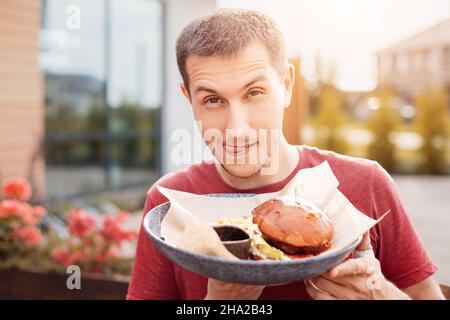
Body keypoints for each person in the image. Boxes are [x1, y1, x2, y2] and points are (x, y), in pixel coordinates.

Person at [127, 9, 443, 300]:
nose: (237, 128)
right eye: (212, 100)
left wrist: (382, 296)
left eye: (254, 93)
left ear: (287, 85)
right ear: (189, 99)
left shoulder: (366, 184)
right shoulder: (168, 205)